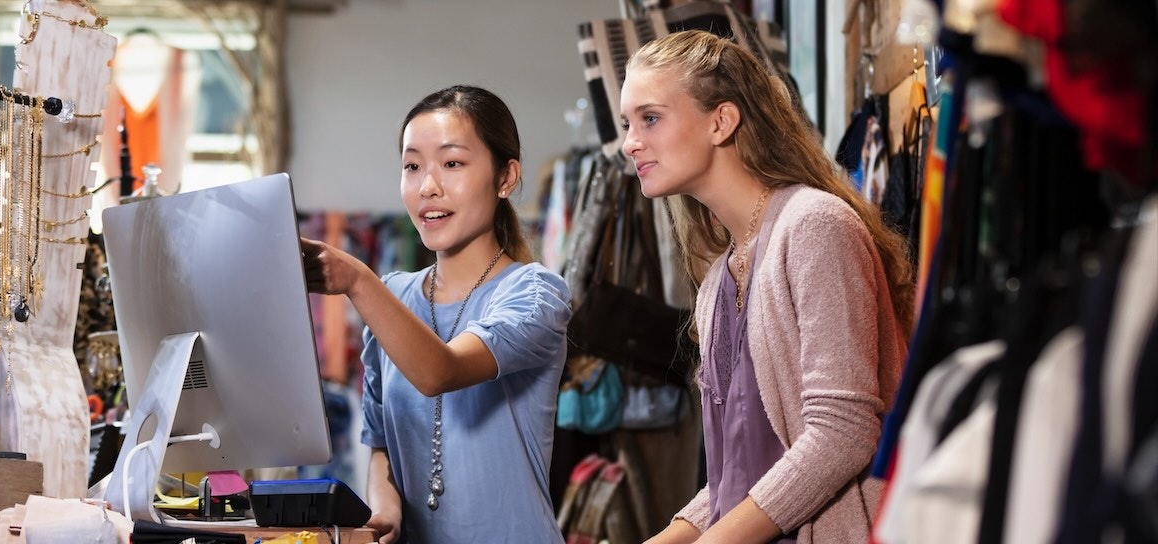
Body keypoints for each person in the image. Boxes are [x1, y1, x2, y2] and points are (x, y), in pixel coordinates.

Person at [619, 31, 914, 543]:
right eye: (629, 123)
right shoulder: (719, 278)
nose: (630, 142)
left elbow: (843, 433)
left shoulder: (814, 226)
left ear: (721, 121)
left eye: (650, 118)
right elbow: (738, 476)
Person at [301, 85, 571, 544]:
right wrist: (386, 509)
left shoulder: (536, 293)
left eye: (452, 163)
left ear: (506, 178)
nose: (427, 186)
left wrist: (357, 280)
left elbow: (440, 371)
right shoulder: (393, 295)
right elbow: (380, 440)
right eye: (412, 166)